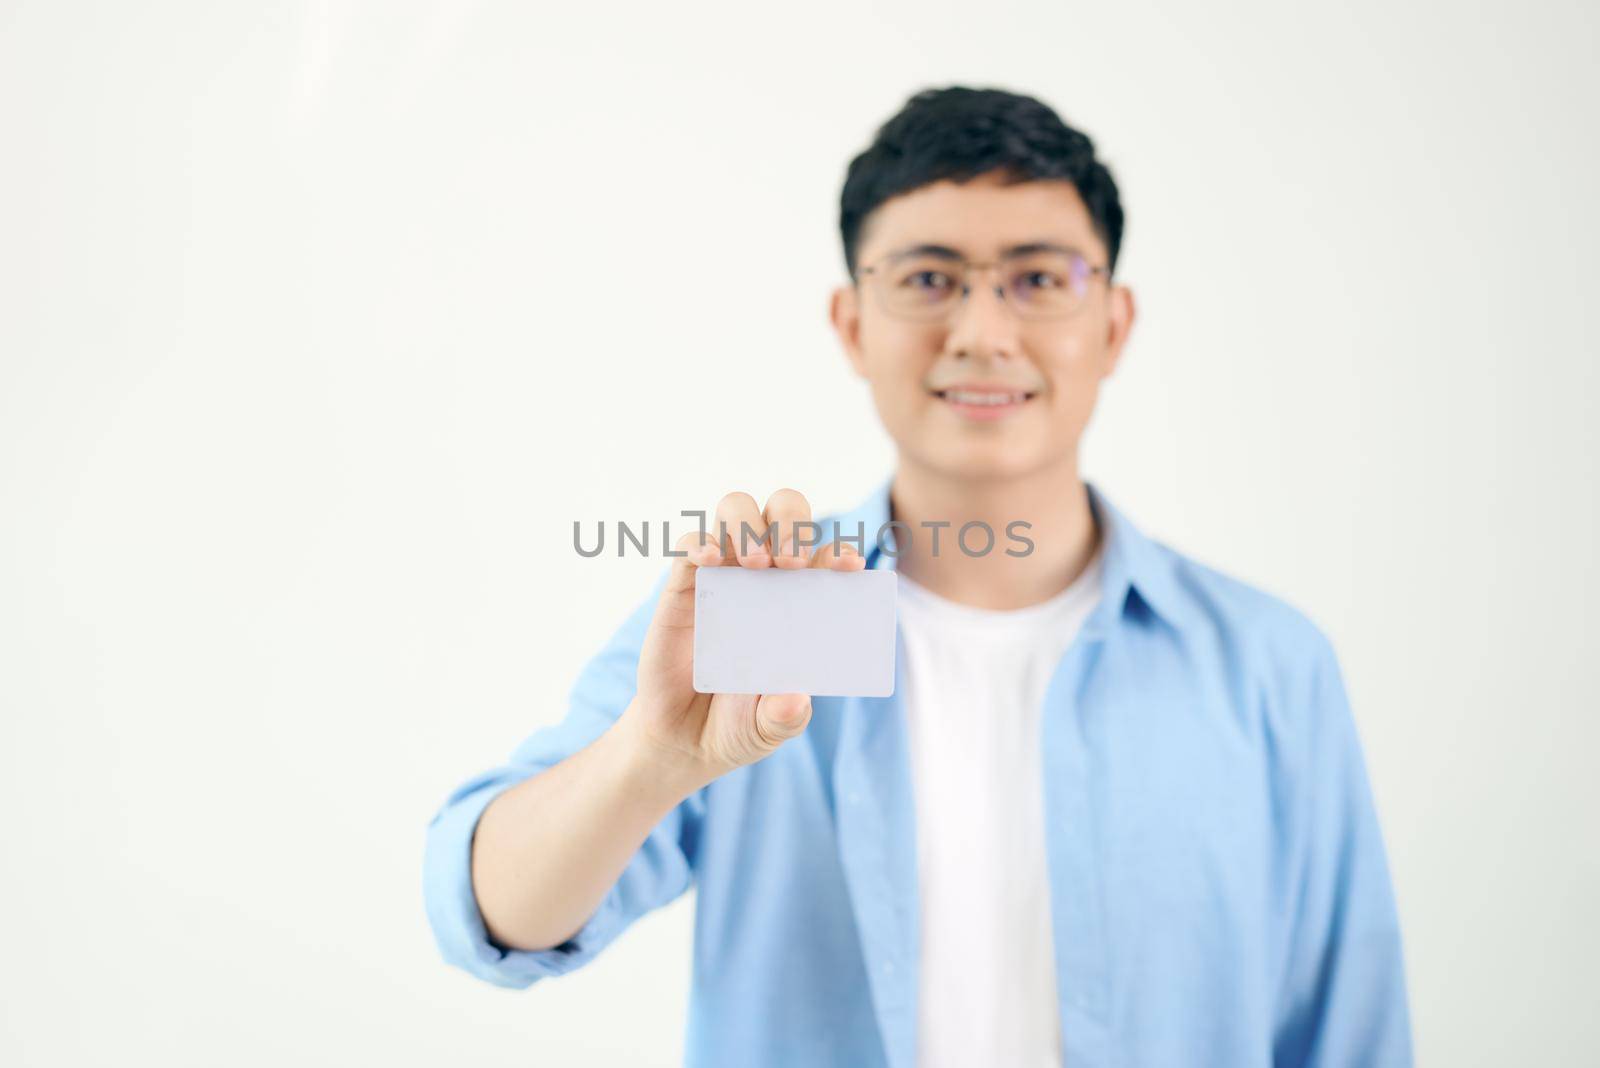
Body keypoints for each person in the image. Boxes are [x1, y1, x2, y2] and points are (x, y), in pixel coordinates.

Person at [422, 85, 1413, 1068]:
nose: (982, 332)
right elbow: (487, 913)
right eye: (929, 279)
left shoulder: (1265, 665)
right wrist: (648, 761)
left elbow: (1348, 1029)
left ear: (1112, 324)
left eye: (1037, 279)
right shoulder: (758, 621)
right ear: (852, 324)